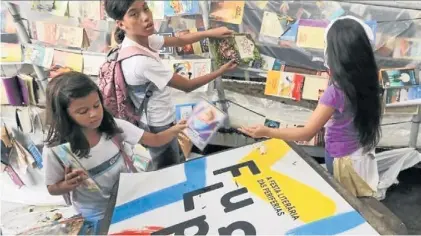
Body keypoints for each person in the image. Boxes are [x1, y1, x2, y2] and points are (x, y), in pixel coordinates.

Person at [239, 16, 382, 197]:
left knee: (344, 197)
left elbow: (307, 133)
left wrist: (267, 132)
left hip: (341, 158)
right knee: (357, 196)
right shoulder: (370, 76)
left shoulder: (336, 92)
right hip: (360, 148)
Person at [104, 0, 237, 170]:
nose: (146, 17)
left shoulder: (141, 40)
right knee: (169, 167)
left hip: (154, 118)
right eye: (134, 14)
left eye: (145, 8)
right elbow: (188, 86)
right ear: (121, 24)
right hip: (158, 124)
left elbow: (179, 40)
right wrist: (221, 70)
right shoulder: (141, 62)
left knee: (172, 157)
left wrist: (210, 33)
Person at [43, 71, 187, 220]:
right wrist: (67, 184)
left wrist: (175, 130)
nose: (93, 114)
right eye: (83, 111)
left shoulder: (113, 126)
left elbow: (155, 140)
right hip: (95, 213)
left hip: (130, 199)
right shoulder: (56, 150)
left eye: (96, 105)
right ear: (64, 115)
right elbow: (52, 188)